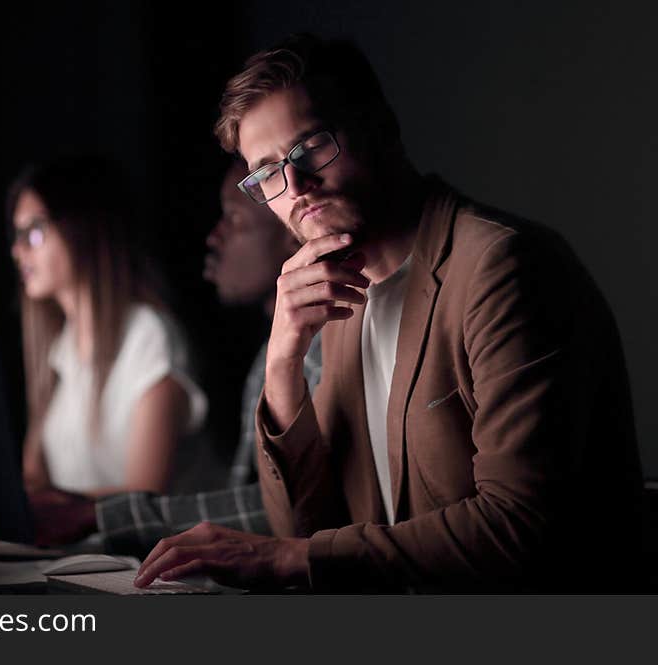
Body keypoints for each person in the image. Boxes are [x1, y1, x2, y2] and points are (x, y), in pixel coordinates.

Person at [134, 34, 644, 592]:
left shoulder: (502, 267)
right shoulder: (338, 297)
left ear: (381, 127)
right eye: (267, 173)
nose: (297, 186)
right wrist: (282, 363)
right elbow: (309, 533)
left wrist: (286, 559)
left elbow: (519, 527)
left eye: (310, 147)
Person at [28, 161, 323, 555]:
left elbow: (282, 513)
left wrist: (94, 514)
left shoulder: (152, 336)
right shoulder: (266, 361)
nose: (214, 237)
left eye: (233, 218)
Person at [7, 156, 207, 501]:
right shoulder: (59, 350)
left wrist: (52, 506)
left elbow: (146, 495)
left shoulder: (148, 336)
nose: (17, 250)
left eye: (34, 231)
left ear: (82, 228)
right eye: (16, 234)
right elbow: (33, 480)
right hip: (82, 554)